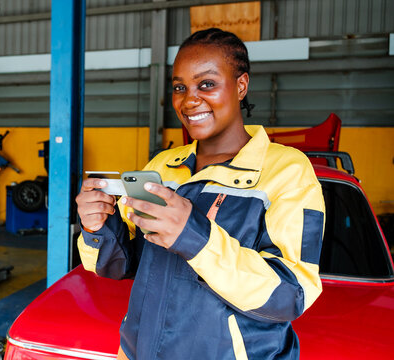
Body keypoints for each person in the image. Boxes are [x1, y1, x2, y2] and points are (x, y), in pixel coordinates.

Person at [76, 28, 325, 360]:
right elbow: (124, 263)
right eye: (180, 87)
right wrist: (98, 227)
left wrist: (192, 236)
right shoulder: (164, 165)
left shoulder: (287, 170)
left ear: (241, 85)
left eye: (206, 84)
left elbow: (290, 295)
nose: (189, 100)